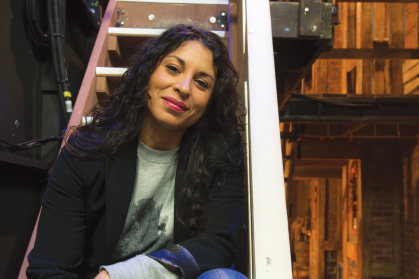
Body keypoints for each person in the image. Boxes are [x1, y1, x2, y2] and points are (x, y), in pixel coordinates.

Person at [26, 25, 247, 279]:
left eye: (201, 82)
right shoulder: (86, 154)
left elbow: (220, 241)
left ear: (210, 100)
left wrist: (125, 274)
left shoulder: (219, 153)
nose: (184, 87)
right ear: (148, 74)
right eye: (173, 68)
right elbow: (49, 268)